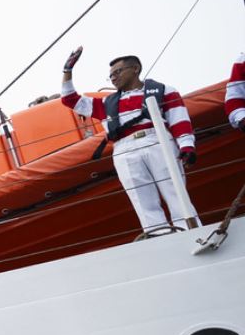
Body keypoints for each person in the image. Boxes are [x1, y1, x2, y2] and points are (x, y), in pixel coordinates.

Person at [61, 48, 196, 233]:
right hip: (124, 149)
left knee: (176, 193)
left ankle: (193, 233)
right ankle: (160, 238)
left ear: (135, 69)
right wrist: (67, 70)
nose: (113, 78)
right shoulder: (106, 104)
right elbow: (69, 99)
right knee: (142, 201)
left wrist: (187, 145)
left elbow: (178, 119)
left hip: (157, 140)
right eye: (110, 76)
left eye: (117, 72)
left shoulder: (164, 90)